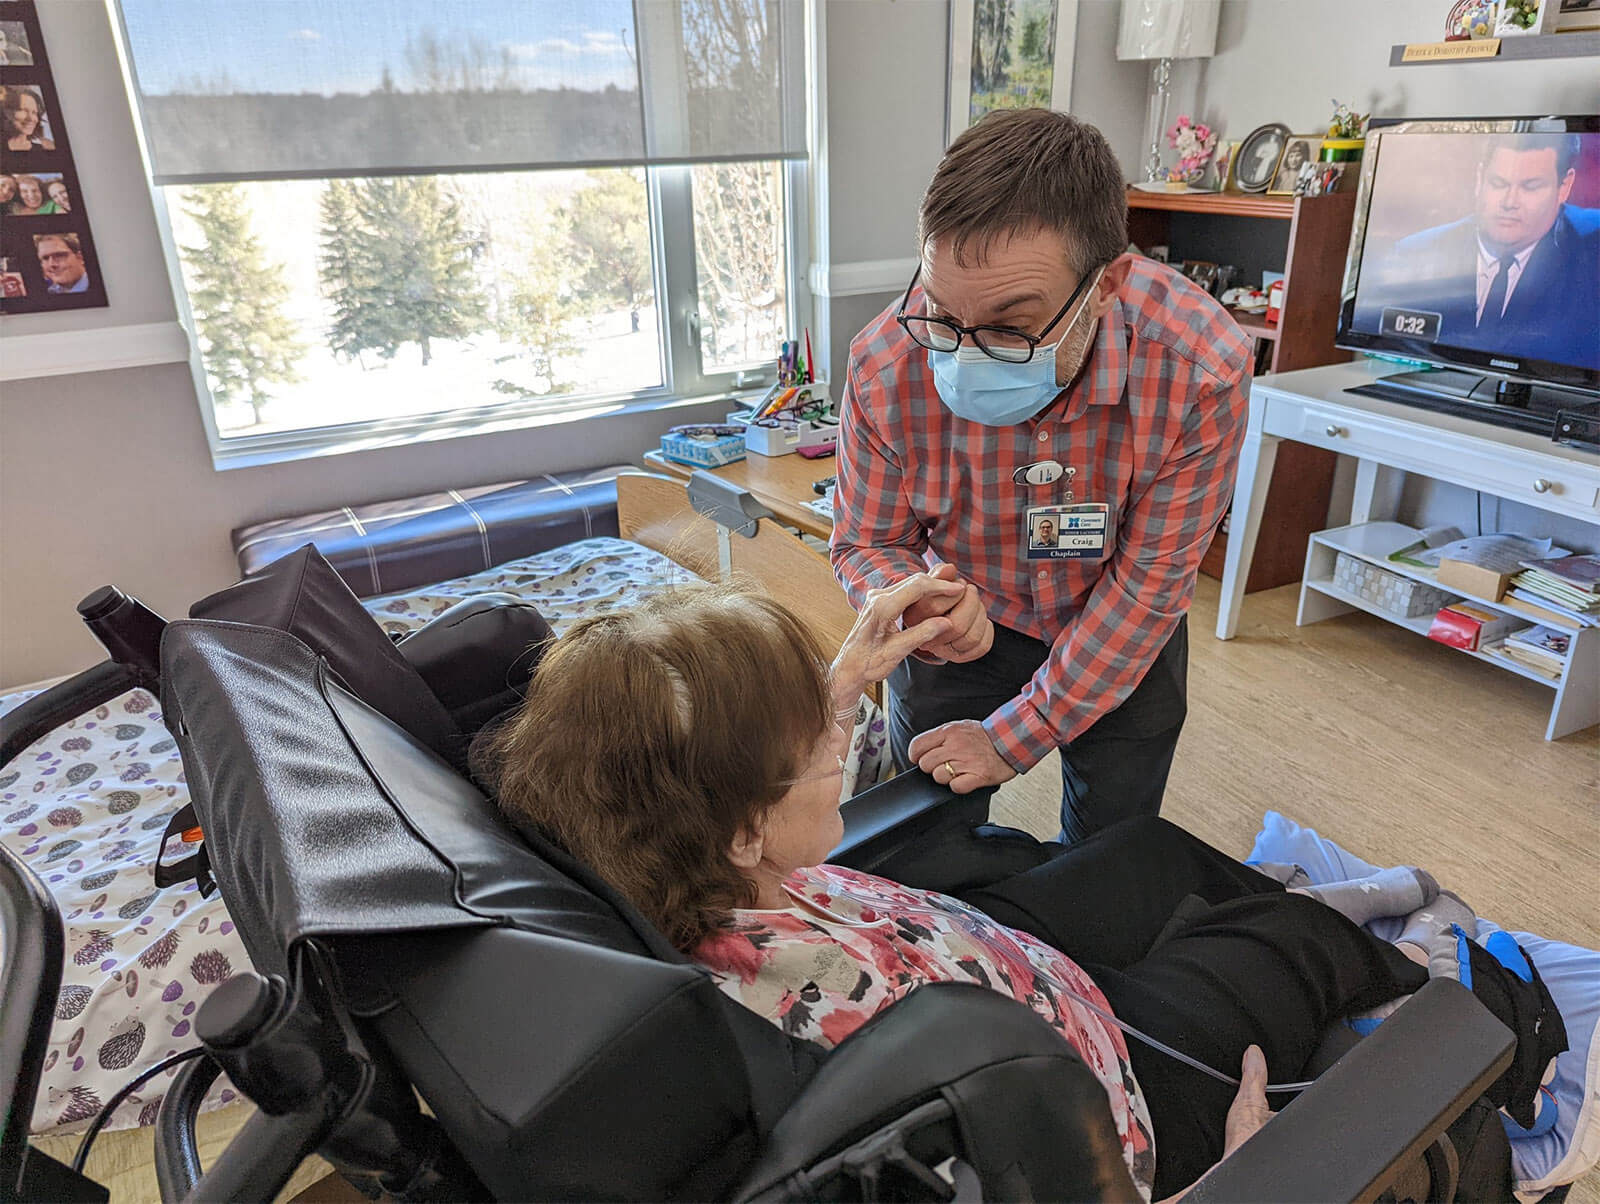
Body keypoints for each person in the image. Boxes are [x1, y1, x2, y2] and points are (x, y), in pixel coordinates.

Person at [491, 585, 1565, 1203]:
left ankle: (1300, 916)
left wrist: (843, 681)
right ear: (742, 823)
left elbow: (744, 772)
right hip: (1100, 1098)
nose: (844, 737)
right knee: (1277, 949)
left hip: (980, 957)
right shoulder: (810, 1045)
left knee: (1144, 845)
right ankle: (1453, 995)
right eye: (817, 743)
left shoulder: (677, 846)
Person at [829, 109, 1251, 844]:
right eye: (941, 313)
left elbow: (1150, 588)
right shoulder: (884, 364)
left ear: (1108, 284)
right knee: (921, 845)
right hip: (959, 632)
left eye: (1011, 326)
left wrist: (1015, 737)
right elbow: (864, 541)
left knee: (1110, 854)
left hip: (1121, 624)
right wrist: (914, 605)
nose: (965, 355)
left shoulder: (1199, 368)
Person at [1379, 132, 1600, 369]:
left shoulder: (1591, 253)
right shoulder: (1414, 254)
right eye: (1498, 183)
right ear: (1479, 179)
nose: (1509, 202)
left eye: (1530, 187)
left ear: (1564, 186)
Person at [3, 86, 54, 151]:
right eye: (24, 110)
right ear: (9, 113)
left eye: (34, 112)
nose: (31, 118)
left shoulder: (41, 149)